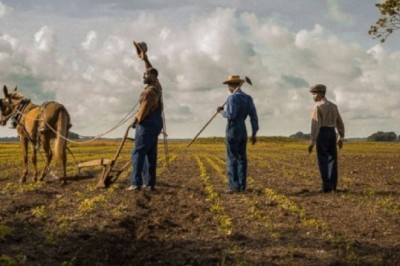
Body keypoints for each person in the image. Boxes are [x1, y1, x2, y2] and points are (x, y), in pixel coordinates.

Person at [127, 42, 163, 191]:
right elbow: (150, 69)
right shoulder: (157, 86)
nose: (144, 75)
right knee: (150, 152)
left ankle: (135, 183)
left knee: (138, 152)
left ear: (152, 76)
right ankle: (149, 183)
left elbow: (143, 110)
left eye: (146, 75)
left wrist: (135, 121)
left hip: (147, 122)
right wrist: (145, 59)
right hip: (156, 122)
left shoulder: (149, 92)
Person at [217, 75, 259, 193]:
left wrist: (221, 112)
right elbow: (254, 116)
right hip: (243, 130)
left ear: (232, 85)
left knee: (232, 158)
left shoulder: (232, 98)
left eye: (229, 85)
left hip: (233, 129)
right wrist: (254, 133)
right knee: (242, 158)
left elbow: (231, 115)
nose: (228, 88)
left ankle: (234, 187)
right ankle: (242, 186)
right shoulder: (248, 98)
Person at [308, 84, 345, 193]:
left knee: (323, 159)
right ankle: (333, 185)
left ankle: (326, 186)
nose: (313, 96)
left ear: (320, 94)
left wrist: (312, 141)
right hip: (332, 133)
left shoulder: (318, 107)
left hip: (322, 133)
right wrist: (341, 136)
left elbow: (315, 125)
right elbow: (340, 122)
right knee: (332, 159)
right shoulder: (334, 106)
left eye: (314, 94)